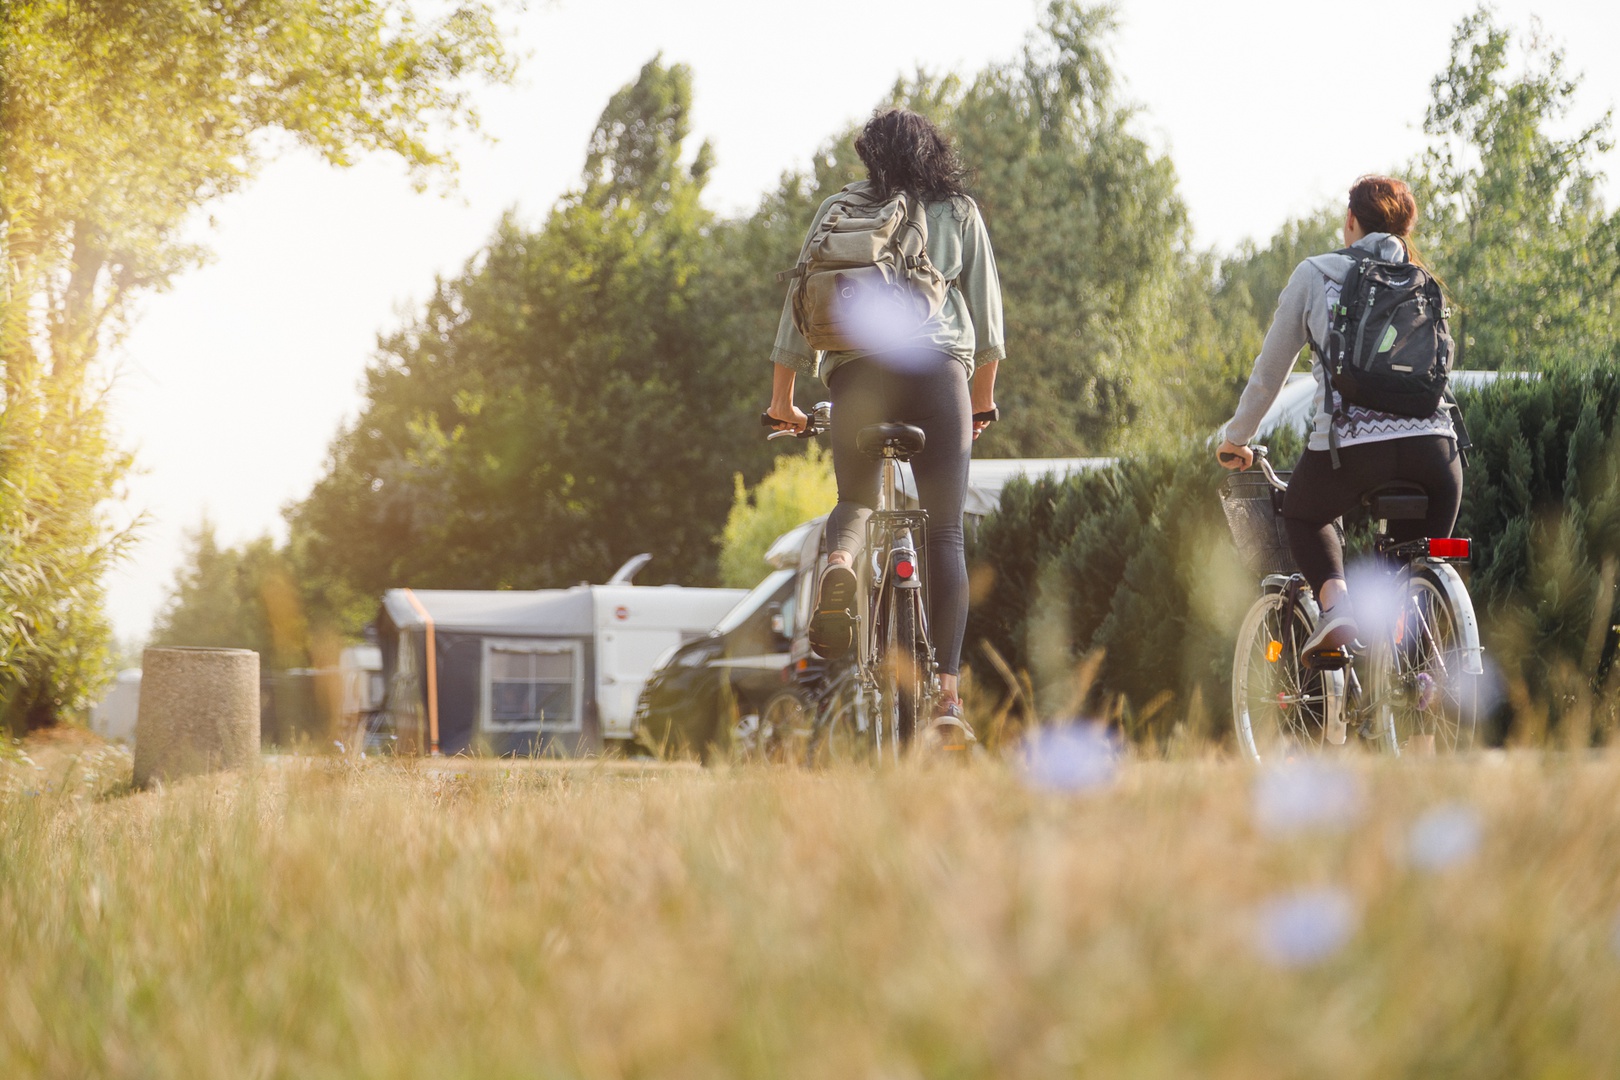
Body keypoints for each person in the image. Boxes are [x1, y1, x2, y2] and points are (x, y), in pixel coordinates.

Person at [766, 107, 1005, 746]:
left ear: (870, 155)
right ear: (934, 152)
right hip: (936, 377)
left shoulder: (838, 209)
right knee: (946, 532)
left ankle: (842, 562)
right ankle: (948, 699)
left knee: (853, 501)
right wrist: (980, 404)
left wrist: (783, 400)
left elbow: (797, 313)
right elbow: (988, 330)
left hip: (858, 380)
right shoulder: (959, 212)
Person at [1216, 174, 1462, 661]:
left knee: (1303, 514)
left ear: (1351, 221)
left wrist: (1236, 438)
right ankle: (1421, 687)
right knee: (1414, 574)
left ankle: (1337, 606)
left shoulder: (1315, 273)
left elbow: (1270, 373)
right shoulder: (1424, 282)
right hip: (1439, 456)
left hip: (1351, 449)